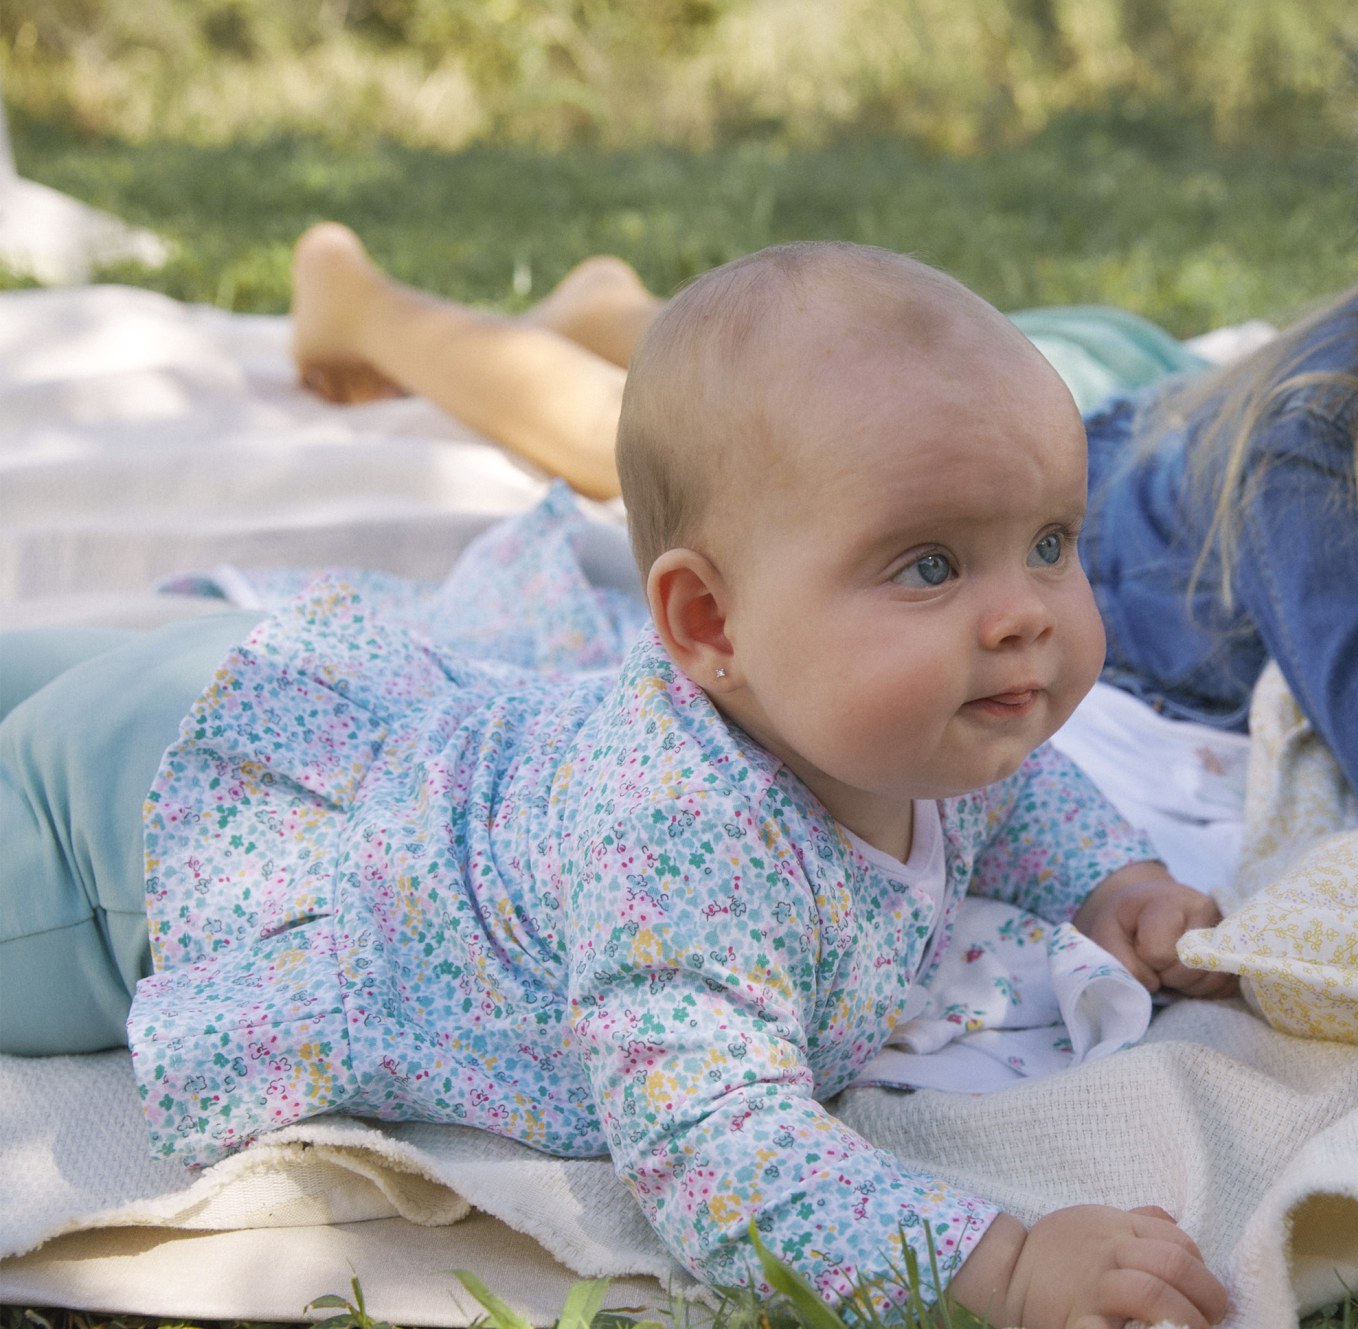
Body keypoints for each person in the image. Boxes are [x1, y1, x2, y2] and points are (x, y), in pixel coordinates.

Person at [0, 242, 1234, 1329]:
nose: (1023, 616)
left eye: (1051, 543)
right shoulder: (683, 848)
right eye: (928, 565)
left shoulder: (927, 724)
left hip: (263, 702)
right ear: (709, 621)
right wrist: (1003, 1266)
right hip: (158, 841)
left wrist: (1108, 882)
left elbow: (1019, 789)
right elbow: (719, 1153)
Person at [289, 0, 1358, 830]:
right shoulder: (1324, 457)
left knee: (736, 349)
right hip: (1076, 446)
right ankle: (365, 302)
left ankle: (615, 298)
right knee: (672, 430)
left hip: (1140, 393)